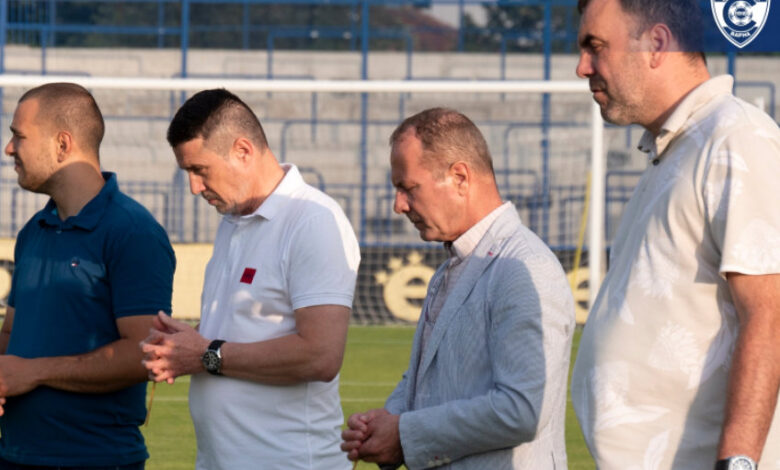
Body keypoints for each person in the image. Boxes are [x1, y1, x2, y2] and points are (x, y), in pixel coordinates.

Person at [571, 0, 780, 469]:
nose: (582, 67)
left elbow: (771, 317)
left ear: (657, 43)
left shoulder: (736, 138)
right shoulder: (679, 148)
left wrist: (738, 464)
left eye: (596, 46)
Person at [340, 108, 575, 469]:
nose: (398, 205)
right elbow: (427, 379)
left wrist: (404, 434)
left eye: (408, 188)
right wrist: (386, 420)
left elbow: (521, 410)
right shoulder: (452, 267)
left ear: (460, 177)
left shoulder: (525, 267)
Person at [140, 88, 360, 470]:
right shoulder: (232, 220)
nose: (194, 187)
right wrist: (184, 346)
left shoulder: (312, 221)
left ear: (243, 151)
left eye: (199, 170)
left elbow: (321, 356)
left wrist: (205, 354)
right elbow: (244, 331)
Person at [0, 82, 175, 468]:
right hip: (14, 454)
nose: (9, 148)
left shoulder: (133, 232)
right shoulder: (32, 232)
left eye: (19, 136)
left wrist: (34, 373)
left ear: (62, 144)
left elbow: (145, 353)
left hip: (93, 458)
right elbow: (11, 335)